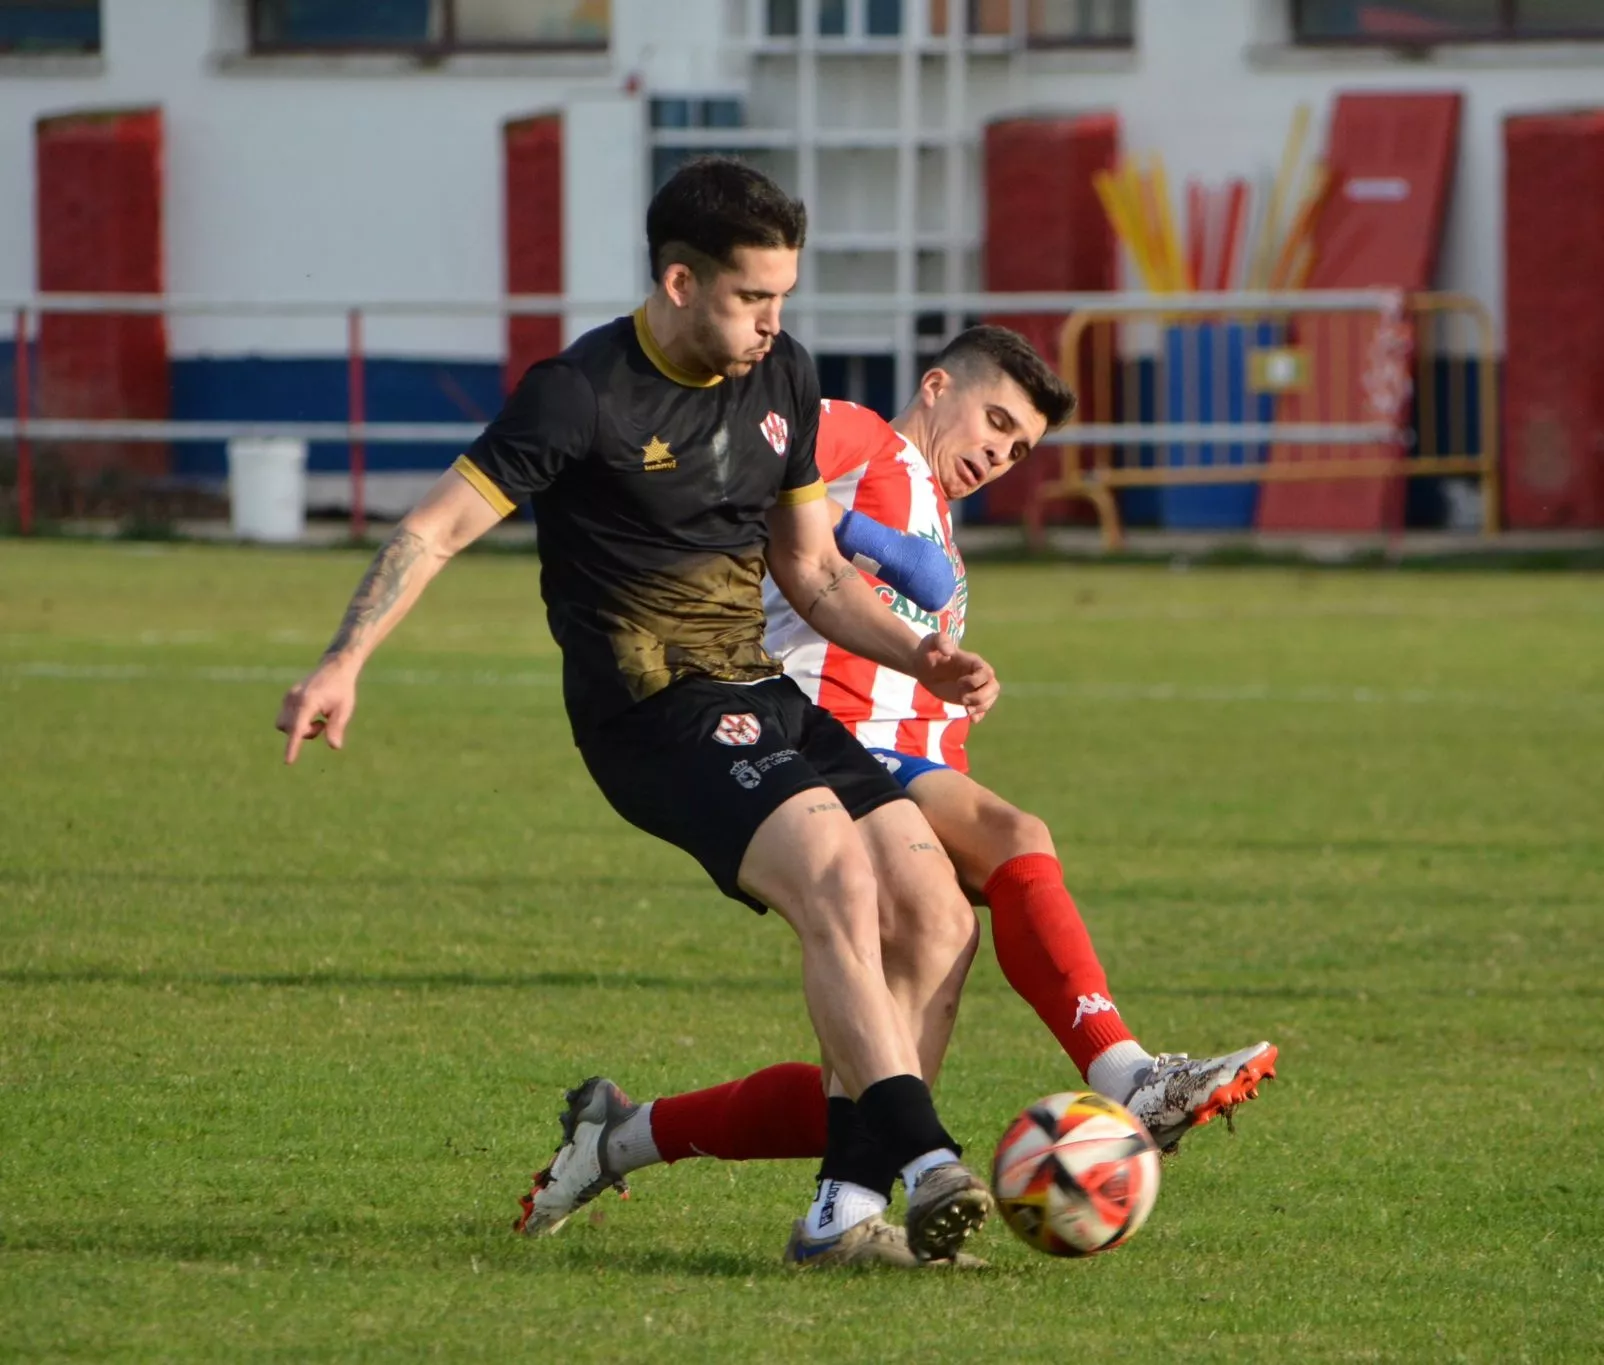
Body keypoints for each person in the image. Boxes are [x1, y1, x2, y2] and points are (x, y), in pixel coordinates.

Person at [274, 157, 1005, 1270]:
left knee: (936, 910)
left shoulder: (785, 379)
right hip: (649, 711)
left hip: (756, 688)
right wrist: (342, 660)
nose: (772, 323)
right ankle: (919, 1158)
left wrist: (920, 653)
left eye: (782, 299)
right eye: (750, 298)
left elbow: (810, 574)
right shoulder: (580, 393)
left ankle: (843, 1215)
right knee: (836, 881)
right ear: (677, 282)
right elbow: (433, 529)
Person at [516, 326, 1279, 1255]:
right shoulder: (859, 436)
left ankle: (650, 1144)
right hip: (821, 739)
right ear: (934, 388)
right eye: (994, 421)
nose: (999, 453)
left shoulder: (945, 535)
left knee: (876, 1073)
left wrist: (957, 687)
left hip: (905, 756)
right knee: (1011, 832)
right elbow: (759, 479)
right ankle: (1124, 1074)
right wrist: (860, 532)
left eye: (1020, 447)